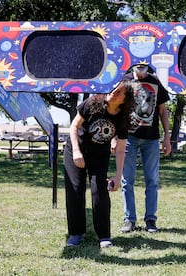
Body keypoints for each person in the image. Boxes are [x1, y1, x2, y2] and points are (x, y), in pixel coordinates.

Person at [64, 79, 136, 248]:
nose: (114, 92)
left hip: (99, 156)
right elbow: (74, 127)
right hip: (76, 149)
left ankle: (104, 235)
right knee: (75, 189)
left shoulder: (122, 118)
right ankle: (76, 233)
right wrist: (76, 151)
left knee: (100, 192)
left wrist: (118, 176)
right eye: (113, 89)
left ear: (125, 100)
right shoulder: (92, 102)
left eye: (119, 92)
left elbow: (120, 149)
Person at [114, 63, 172, 233]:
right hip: (128, 137)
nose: (141, 70)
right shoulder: (124, 81)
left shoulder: (156, 82)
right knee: (127, 181)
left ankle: (151, 219)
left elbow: (162, 111)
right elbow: (116, 109)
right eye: (138, 67)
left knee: (152, 181)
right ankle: (129, 219)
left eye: (144, 67)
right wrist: (115, 137)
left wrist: (167, 137)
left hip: (151, 138)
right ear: (133, 67)